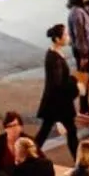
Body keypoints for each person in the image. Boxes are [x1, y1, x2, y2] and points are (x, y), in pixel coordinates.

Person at [34, 23, 78, 158]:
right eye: (65, 35)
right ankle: (79, 162)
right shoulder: (54, 59)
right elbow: (58, 84)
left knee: (45, 132)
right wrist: (74, 82)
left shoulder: (56, 54)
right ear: (58, 39)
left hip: (55, 103)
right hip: (58, 104)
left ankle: (30, 155)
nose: (68, 37)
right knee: (70, 132)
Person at [0, 110, 26, 176]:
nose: (13, 129)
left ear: (21, 127)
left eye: (15, 125)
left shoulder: (28, 141)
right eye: (9, 126)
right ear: (5, 129)